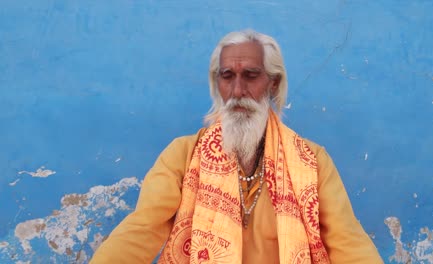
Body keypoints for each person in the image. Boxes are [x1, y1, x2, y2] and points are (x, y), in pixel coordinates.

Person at [91, 29, 383, 263]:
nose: (238, 91)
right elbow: (142, 228)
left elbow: (348, 241)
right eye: (227, 77)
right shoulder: (182, 154)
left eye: (251, 76)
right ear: (216, 84)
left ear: (273, 83)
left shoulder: (312, 160)